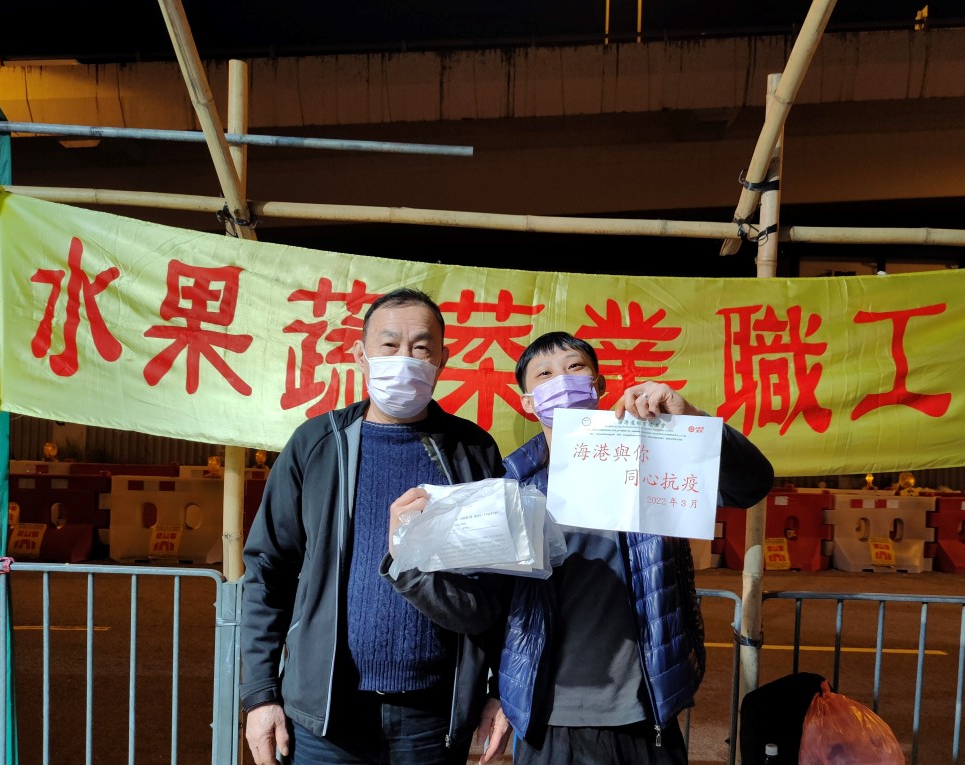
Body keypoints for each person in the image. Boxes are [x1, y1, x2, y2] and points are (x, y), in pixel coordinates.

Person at [385, 330, 775, 764]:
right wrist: (498, 690)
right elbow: (491, 606)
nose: (562, 380)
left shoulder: (653, 457)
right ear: (528, 402)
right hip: (548, 719)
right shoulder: (509, 489)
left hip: (647, 711)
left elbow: (752, 485)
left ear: (599, 385)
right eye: (545, 375)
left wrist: (694, 423)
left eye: (574, 368)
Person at [240, 287, 507, 765]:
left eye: (421, 348)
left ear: (442, 360)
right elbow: (267, 573)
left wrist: (500, 689)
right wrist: (260, 694)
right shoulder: (316, 445)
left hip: (433, 717)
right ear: (360, 355)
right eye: (389, 344)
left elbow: (500, 584)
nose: (405, 359)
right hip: (327, 718)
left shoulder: (472, 451)